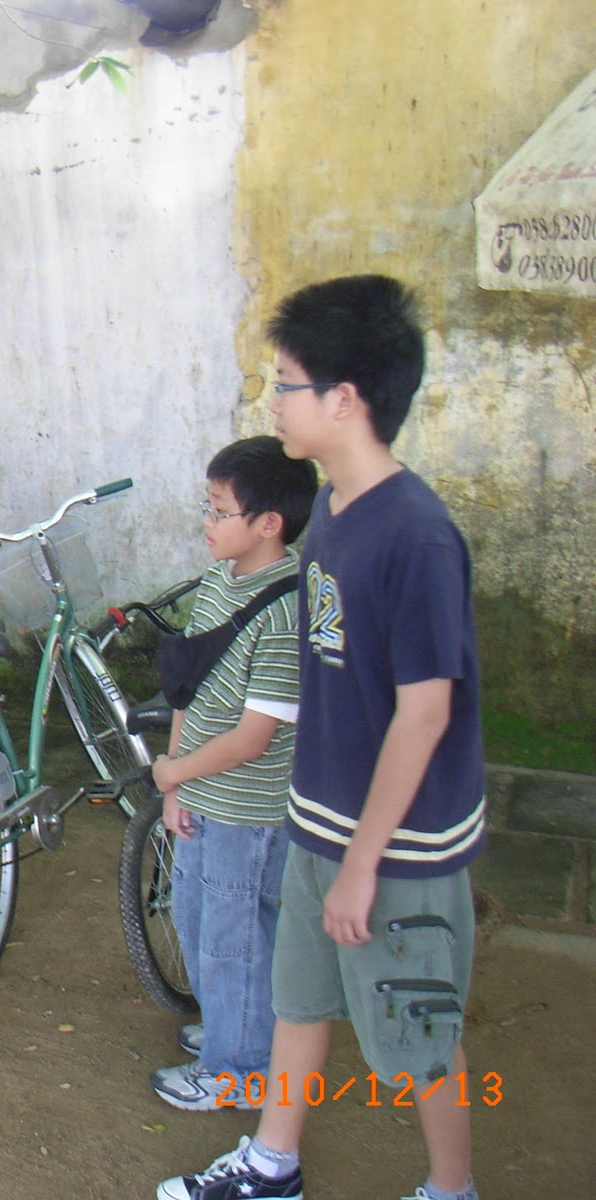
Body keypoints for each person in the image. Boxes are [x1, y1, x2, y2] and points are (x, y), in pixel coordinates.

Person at [157, 275, 484, 1200]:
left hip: (396, 849)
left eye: (287, 381)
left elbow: (425, 714)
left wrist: (364, 862)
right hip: (317, 822)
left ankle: (450, 1189)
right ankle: (272, 1165)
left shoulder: (415, 537)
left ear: (346, 400)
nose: (274, 400)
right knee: (298, 1001)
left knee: (420, 1032)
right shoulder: (333, 515)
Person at [148, 435, 318, 1111]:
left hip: (247, 813)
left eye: (219, 511)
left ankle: (240, 1070)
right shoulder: (221, 578)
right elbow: (189, 684)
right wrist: (178, 784)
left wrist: (173, 772)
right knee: (196, 920)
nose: (206, 523)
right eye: (207, 506)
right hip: (200, 795)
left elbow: (253, 739)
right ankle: (235, 1030)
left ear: (268, 524)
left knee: (236, 942)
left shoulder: (286, 609)